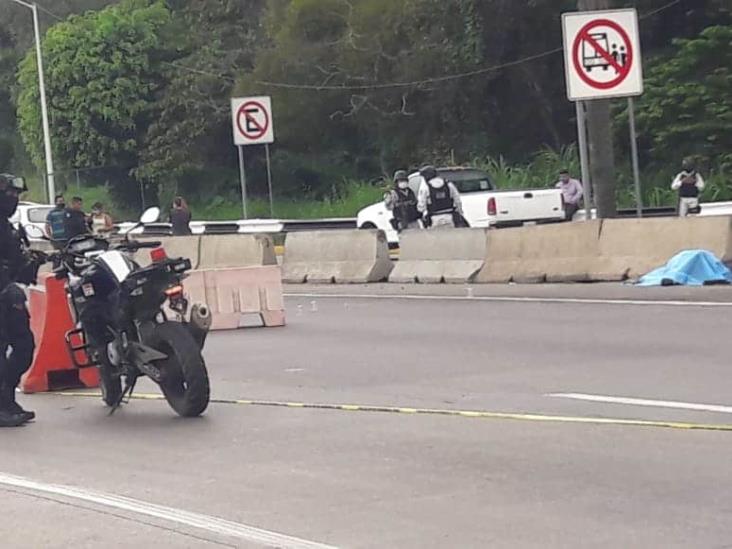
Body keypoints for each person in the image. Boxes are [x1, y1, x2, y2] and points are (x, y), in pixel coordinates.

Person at [0, 174, 44, 427]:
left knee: (25, 345)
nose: (14, 199)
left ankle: (7, 397)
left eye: (17, 195)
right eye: (10, 194)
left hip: (9, 297)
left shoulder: (7, 226)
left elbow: (17, 267)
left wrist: (32, 261)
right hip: (3, 293)